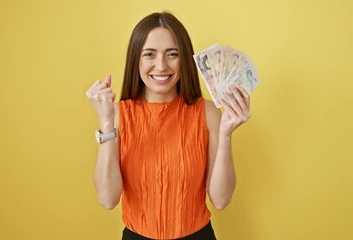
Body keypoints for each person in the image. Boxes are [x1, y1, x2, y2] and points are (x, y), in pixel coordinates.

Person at [85, 12, 251, 240]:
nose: (161, 66)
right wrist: (105, 122)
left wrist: (226, 134)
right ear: (136, 60)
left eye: (172, 54)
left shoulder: (209, 113)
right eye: (149, 54)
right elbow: (107, 199)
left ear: (185, 59)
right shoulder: (117, 115)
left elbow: (221, 200)